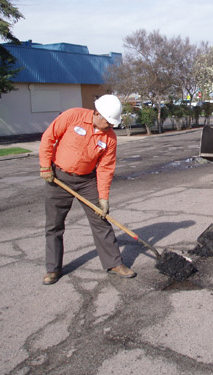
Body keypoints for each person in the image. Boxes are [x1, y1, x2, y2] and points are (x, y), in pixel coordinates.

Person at [39, 94, 136, 285]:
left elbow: (105, 168)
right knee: (54, 225)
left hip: (87, 181)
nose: (111, 126)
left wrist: (103, 198)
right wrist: (45, 167)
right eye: (109, 122)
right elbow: (49, 138)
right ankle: (53, 269)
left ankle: (114, 263)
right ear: (98, 113)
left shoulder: (110, 138)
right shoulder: (72, 116)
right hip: (58, 177)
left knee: (102, 220)